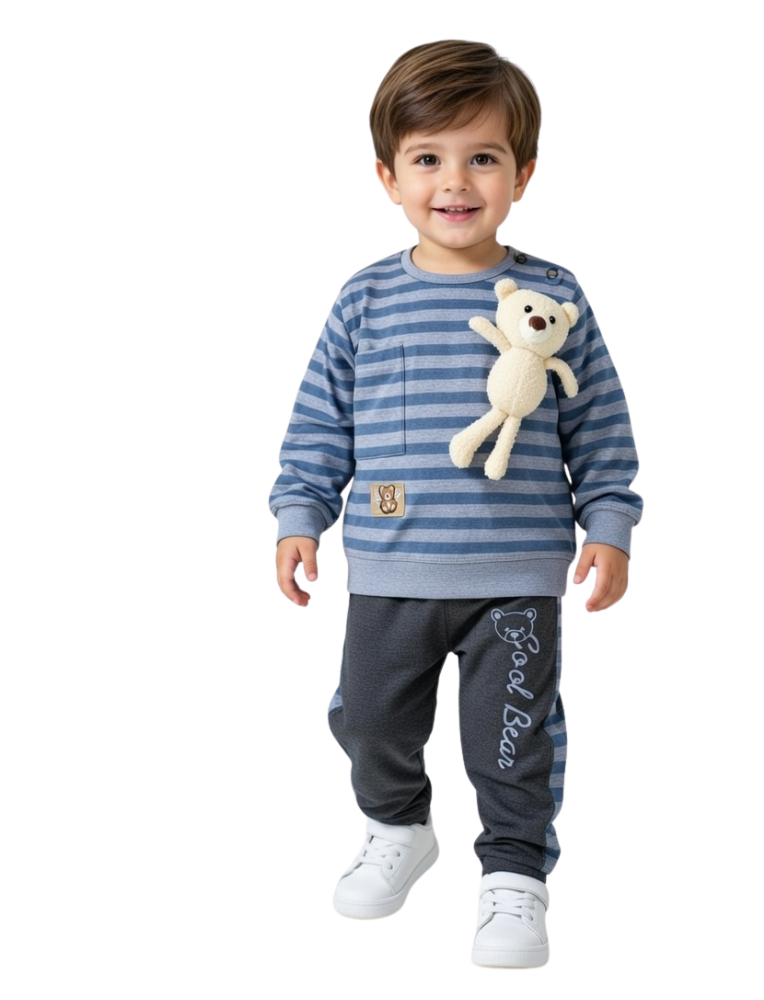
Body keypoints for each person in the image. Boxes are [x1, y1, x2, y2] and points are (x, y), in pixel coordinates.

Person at [270, 40, 642, 968]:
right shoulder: (365, 299)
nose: (455, 181)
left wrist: (609, 523)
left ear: (523, 173)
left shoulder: (556, 298)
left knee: (512, 741)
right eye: (428, 158)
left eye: (482, 157)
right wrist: (300, 514)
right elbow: (320, 419)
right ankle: (397, 823)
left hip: (515, 574)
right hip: (391, 568)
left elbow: (599, 422)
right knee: (369, 720)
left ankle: (515, 874)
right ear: (388, 176)